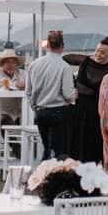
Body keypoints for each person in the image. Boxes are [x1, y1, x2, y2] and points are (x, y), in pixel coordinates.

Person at [25, 30, 76, 160]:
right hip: (59, 111)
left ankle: (43, 174)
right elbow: (68, 94)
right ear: (62, 46)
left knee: (47, 148)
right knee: (60, 151)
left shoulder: (34, 65)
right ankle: (55, 176)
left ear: (47, 45)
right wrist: (76, 94)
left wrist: (34, 105)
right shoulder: (64, 67)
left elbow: (28, 92)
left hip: (41, 111)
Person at [69, 37, 108, 163]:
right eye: (97, 50)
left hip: (96, 109)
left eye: (102, 52)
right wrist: (71, 84)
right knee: (77, 140)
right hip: (79, 106)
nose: (98, 54)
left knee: (92, 142)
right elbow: (66, 58)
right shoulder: (86, 60)